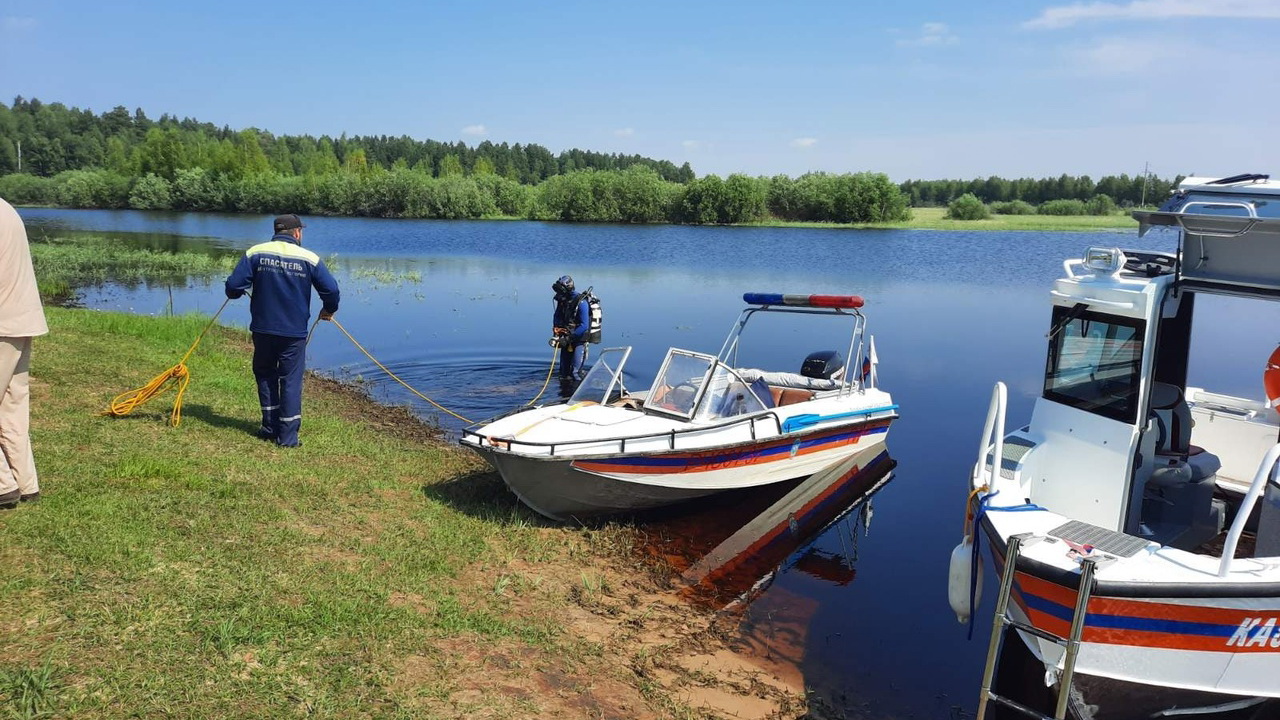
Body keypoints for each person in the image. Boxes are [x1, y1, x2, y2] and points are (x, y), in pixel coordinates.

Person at [225, 214, 339, 448]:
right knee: (290, 380)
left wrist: (235, 293)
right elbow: (331, 290)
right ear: (297, 233)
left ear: (277, 231)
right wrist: (329, 309)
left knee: (265, 374)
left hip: (263, 329)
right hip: (293, 332)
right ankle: (287, 438)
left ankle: (269, 428)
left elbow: (234, 286)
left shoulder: (255, 252)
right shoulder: (309, 258)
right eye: (301, 231)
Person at [0, 197, 48, 509]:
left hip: (2, 322)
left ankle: (3, 485)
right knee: (11, 406)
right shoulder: (5, 208)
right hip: (18, 319)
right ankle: (25, 481)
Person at [551, 275, 589, 392]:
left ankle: (577, 396)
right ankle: (563, 396)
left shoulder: (581, 302)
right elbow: (557, 316)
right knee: (564, 372)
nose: (559, 293)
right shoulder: (562, 300)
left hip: (578, 340)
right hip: (565, 337)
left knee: (575, 373)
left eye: (561, 290)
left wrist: (568, 339)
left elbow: (584, 325)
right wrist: (557, 332)